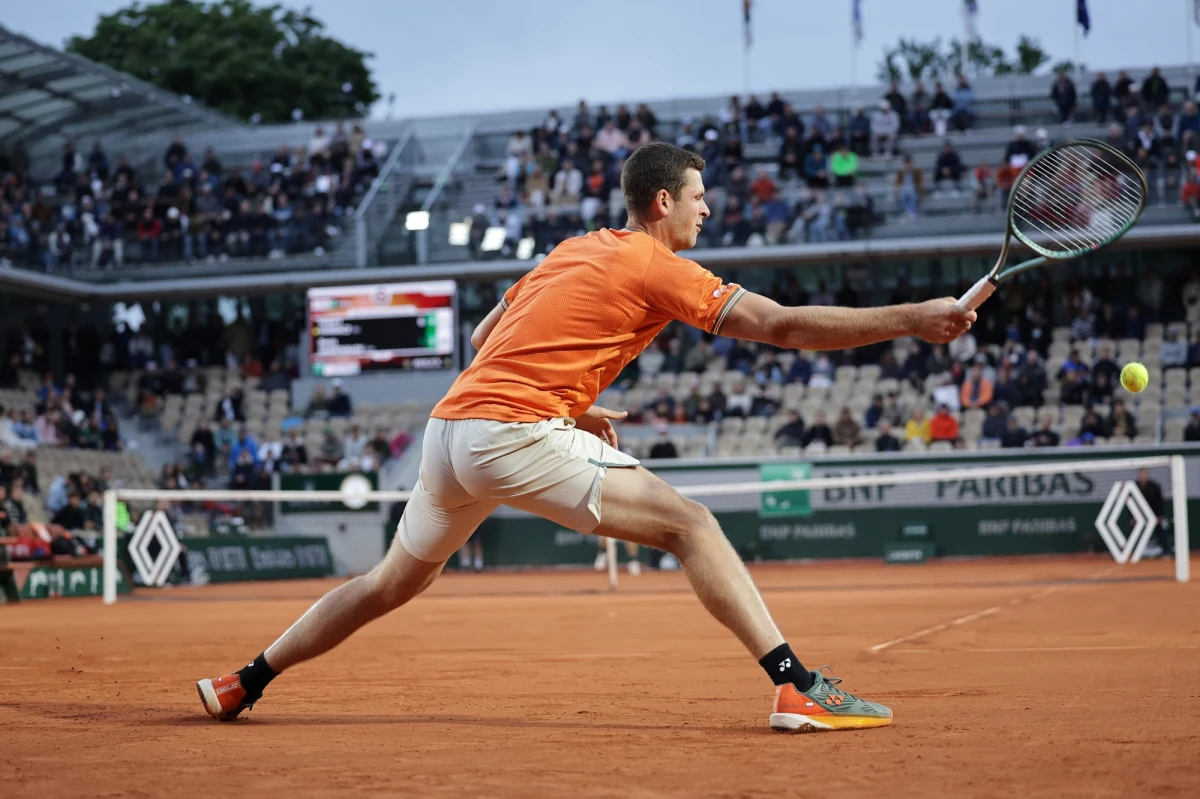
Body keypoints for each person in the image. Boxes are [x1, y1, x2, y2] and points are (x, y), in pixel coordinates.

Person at [196, 141, 974, 732]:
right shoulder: (655, 264)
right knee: (692, 525)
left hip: (450, 432)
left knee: (388, 584)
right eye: (699, 199)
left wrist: (567, 400)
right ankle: (794, 685)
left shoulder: (574, 249)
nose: (708, 212)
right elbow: (776, 325)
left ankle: (246, 680)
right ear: (663, 202)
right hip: (508, 432)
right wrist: (913, 319)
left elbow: (485, 335)